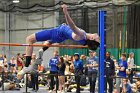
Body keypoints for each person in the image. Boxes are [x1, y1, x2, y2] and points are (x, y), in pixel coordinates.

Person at [17, 4, 100, 77]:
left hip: (57, 33)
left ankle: (26, 66)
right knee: (50, 41)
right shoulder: (85, 39)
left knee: (29, 39)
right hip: (62, 37)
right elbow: (72, 31)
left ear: (92, 39)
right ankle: (42, 49)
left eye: (98, 38)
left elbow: (72, 26)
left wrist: (66, 12)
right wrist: (65, 26)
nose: (98, 36)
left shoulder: (82, 35)